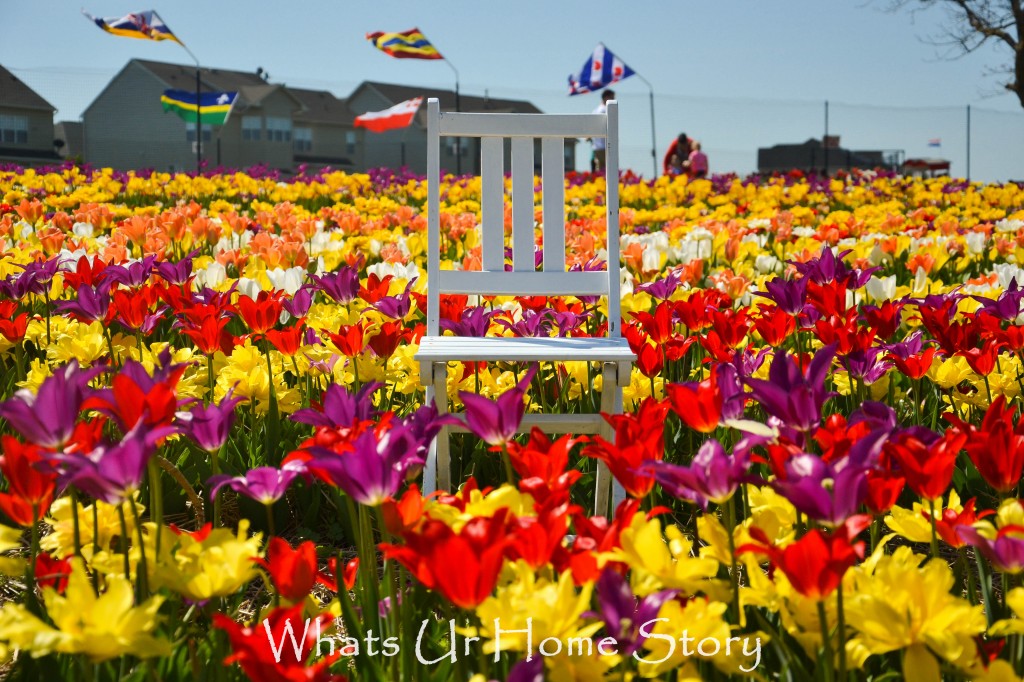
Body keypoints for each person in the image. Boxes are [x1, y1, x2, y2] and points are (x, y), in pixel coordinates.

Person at [591, 89, 615, 173]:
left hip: (596, 145)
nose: (613, 99)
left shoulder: (595, 110)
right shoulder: (605, 110)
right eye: (612, 97)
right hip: (605, 145)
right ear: (606, 98)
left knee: (600, 169)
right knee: (608, 170)